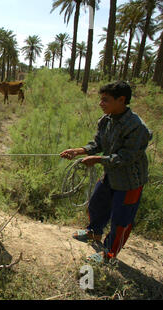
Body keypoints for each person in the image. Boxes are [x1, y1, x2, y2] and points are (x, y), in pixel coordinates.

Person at [60, 81, 152, 264]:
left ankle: (109, 255)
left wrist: (97, 160)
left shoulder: (137, 127)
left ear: (121, 100)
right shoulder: (106, 120)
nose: (100, 103)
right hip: (111, 174)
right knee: (96, 203)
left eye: (105, 100)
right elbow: (98, 144)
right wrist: (78, 151)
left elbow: (126, 157)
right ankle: (94, 233)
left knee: (121, 220)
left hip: (129, 181)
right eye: (100, 99)